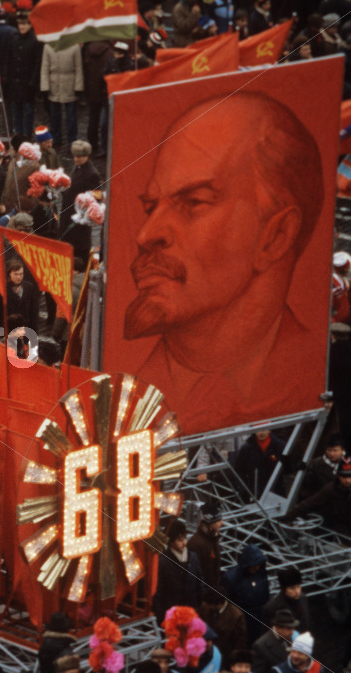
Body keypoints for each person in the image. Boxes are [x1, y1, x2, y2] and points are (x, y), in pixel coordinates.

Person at [120, 94, 323, 435]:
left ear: (275, 237)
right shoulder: (122, 395)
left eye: (194, 202)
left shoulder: (309, 377)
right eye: (151, 206)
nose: (145, 234)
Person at [284, 456, 351, 540]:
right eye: (344, 476)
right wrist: (286, 516)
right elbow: (309, 504)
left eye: (350, 476)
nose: (347, 480)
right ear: (338, 475)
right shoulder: (331, 489)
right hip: (344, 532)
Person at [152, 520, 202, 616]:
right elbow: (158, 593)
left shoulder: (193, 557)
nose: (184, 542)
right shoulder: (162, 562)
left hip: (192, 612)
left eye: (184, 538)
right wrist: (162, 618)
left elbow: (200, 584)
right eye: (179, 540)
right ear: (171, 542)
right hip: (172, 615)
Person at [252, 608, 298, 673]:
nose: (292, 632)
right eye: (289, 629)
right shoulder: (260, 646)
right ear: (278, 628)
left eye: (293, 628)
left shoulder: (291, 638)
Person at [187, 501, 222, 591]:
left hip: (212, 593)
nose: (221, 523)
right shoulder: (195, 544)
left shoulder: (213, 540)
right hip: (203, 596)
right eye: (218, 520)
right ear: (209, 523)